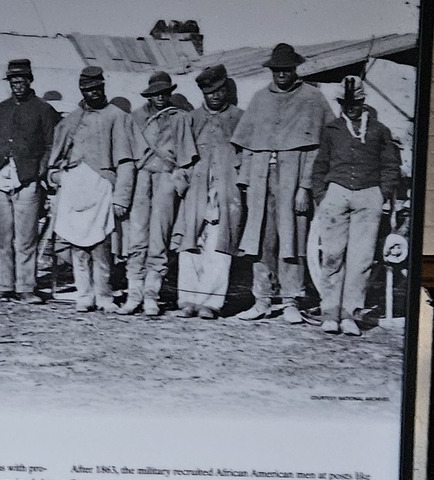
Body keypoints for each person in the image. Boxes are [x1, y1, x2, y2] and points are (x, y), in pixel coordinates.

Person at [232, 42, 330, 324]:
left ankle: (290, 301)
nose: (282, 75)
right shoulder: (260, 98)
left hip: (293, 180)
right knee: (262, 240)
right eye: (277, 70)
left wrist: (305, 187)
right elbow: (248, 146)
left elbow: (318, 149)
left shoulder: (313, 98)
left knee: (293, 240)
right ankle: (262, 299)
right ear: (271, 71)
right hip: (262, 181)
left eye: (286, 70)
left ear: (295, 69)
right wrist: (247, 183)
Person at [310, 75, 402, 335]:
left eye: (356, 103)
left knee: (360, 260)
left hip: (368, 197)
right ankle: (330, 312)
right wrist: (322, 196)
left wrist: (380, 196)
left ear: (363, 102)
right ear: (340, 103)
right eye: (345, 103)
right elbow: (320, 166)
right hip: (336, 195)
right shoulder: (332, 130)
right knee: (332, 255)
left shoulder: (378, 131)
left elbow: (390, 166)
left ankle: (351, 314)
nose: (350, 108)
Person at [47, 65, 137, 313]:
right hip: (75, 189)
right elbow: (53, 161)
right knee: (77, 248)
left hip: (102, 188)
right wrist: (57, 177)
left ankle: (104, 296)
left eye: (98, 88)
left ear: (103, 87)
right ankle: (84, 295)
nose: (94, 93)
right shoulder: (72, 120)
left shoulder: (117, 117)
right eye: (88, 90)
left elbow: (126, 162)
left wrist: (121, 198)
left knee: (101, 248)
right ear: (82, 91)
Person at [0, 57, 61, 301]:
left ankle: (25, 288)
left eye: (22, 80)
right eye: (13, 81)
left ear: (30, 81)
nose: (18, 85)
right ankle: (4, 286)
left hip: (27, 180)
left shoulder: (43, 109)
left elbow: (51, 144)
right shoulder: (2, 109)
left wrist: (40, 171)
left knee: (26, 238)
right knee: (0, 237)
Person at [121, 71, 199, 316]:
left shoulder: (180, 118)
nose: (161, 98)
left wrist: (180, 180)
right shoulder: (135, 118)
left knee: (160, 237)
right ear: (149, 94)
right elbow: (127, 155)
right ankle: (133, 294)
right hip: (141, 178)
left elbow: (187, 158)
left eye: (165, 93)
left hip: (166, 178)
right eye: (156, 94)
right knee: (136, 238)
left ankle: (151, 295)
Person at [173, 62, 244, 319]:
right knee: (190, 242)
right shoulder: (191, 119)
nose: (215, 96)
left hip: (227, 191)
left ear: (226, 89)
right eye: (209, 92)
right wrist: (183, 185)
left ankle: (210, 303)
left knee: (219, 245)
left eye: (219, 90)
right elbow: (181, 159)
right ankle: (188, 299)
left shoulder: (239, 118)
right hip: (196, 190)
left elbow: (246, 155)